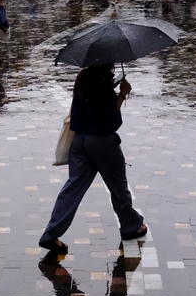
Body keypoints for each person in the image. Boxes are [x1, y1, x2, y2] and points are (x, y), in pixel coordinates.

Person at [38, 64, 147, 253]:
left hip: (79, 141)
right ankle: (130, 226)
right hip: (101, 142)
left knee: (73, 188)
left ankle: (51, 233)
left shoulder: (83, 77)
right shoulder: (103, 83)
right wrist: (122, 94)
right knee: (118, 186)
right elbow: (109, 120)